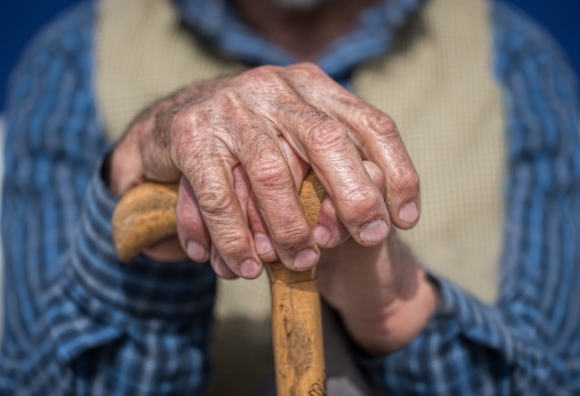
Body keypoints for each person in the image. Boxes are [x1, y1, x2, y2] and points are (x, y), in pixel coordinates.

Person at [1, 0, 579, 394]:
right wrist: (160, 236)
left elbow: (556, 378)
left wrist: (396, 309)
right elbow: (34, 380)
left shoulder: (515, 61)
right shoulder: (76, 58)